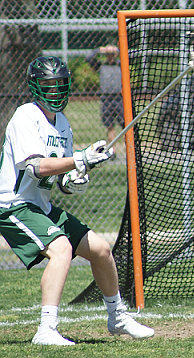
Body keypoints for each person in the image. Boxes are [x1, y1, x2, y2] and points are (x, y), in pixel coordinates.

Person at [0, 56, 154, 345]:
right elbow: (37, 167)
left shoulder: (64, 125)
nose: (55, 91)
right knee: (61, 249)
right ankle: (46, 329)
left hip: (40, 205)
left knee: (101, 249)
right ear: (36, 86)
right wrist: (80, 158)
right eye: (48, 85)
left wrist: (76, 178)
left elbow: (60, 179)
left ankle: (117, 317)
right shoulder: (25, 116)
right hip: (12, 204)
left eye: (59, 85)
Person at [87, 45, 124, 149]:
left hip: (119, 98)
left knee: (125, 125)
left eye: (112, 54)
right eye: (108, 54)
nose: (110, 56)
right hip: (106, 98)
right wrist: (98, 50)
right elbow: (89, 58)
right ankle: (113, 150)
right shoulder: (101, 66)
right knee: (110, 125)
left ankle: (129, 149)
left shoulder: (121, 64)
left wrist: (118, 49)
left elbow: (130, 56)